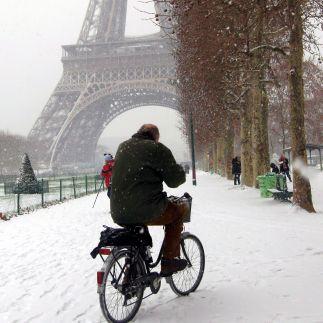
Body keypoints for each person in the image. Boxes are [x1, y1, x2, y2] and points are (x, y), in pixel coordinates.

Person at [110, 124, 188, 277]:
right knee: (178, 213)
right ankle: (169, 261)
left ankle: (133, 272)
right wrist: (180, 171)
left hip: (119, 211)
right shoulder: (156, 149)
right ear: (156, 137)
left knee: (137, 229)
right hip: (146, 208)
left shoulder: (122, 147)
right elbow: (174, 181)